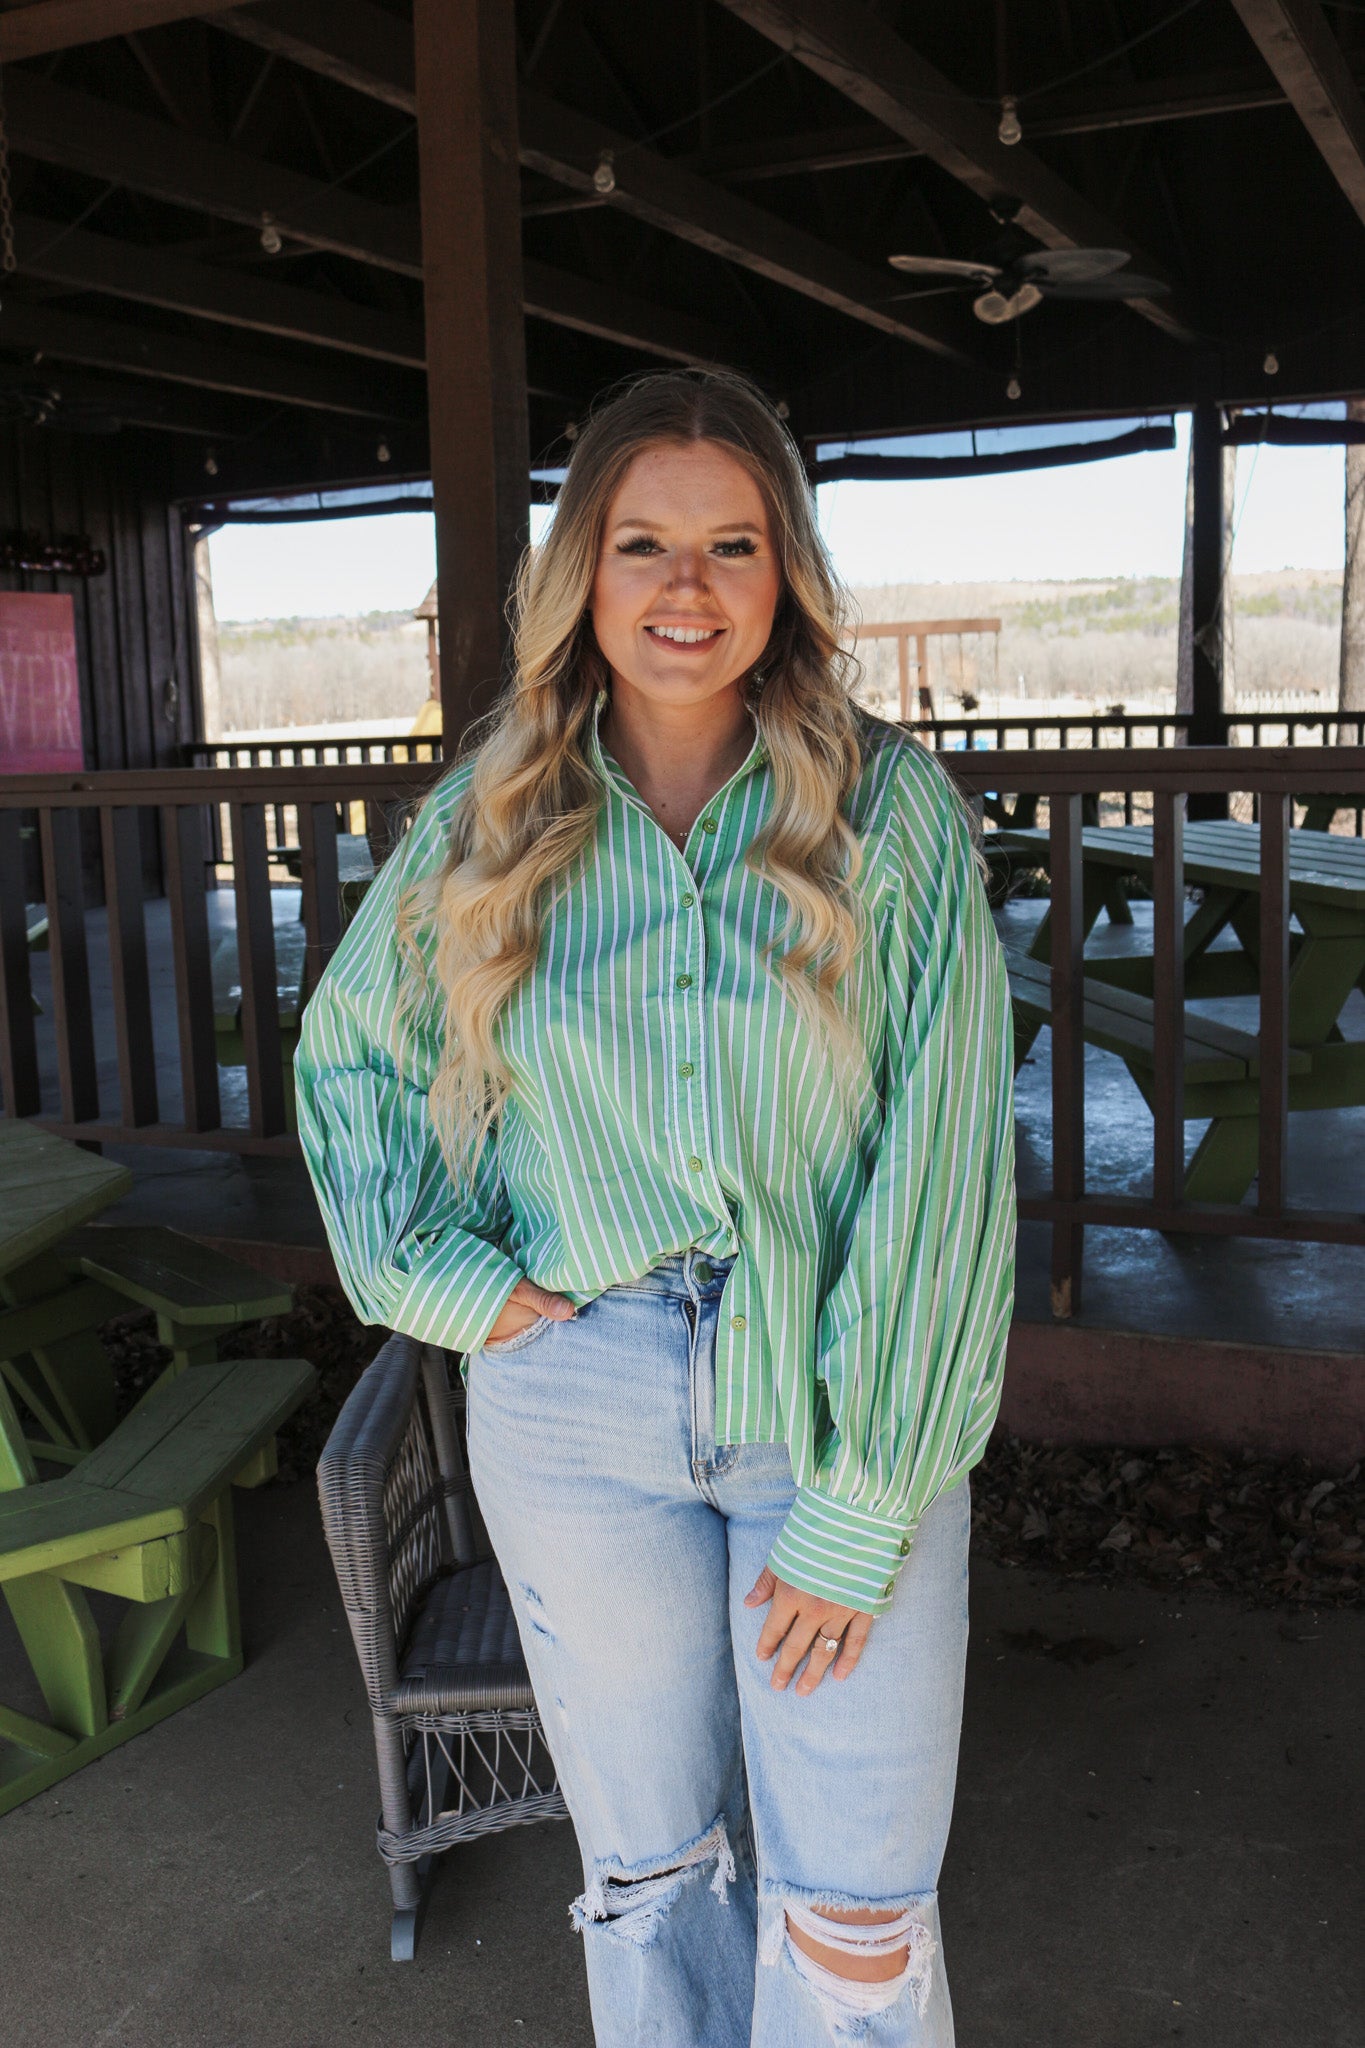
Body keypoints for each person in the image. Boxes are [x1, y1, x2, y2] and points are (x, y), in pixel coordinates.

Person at [296, 368, 1015, 2046]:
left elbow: (942, 1163)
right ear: (583, 577)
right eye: (640, 545)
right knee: (647, 1874)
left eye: (731, 545)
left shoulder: (888, 817)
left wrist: (859, 1499)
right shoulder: (492, 815)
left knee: (852, 1912)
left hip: (834, 1401)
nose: (685, 589)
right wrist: (441, 1283)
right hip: (575, 1406)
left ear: (785, 579)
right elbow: (349, 1062)